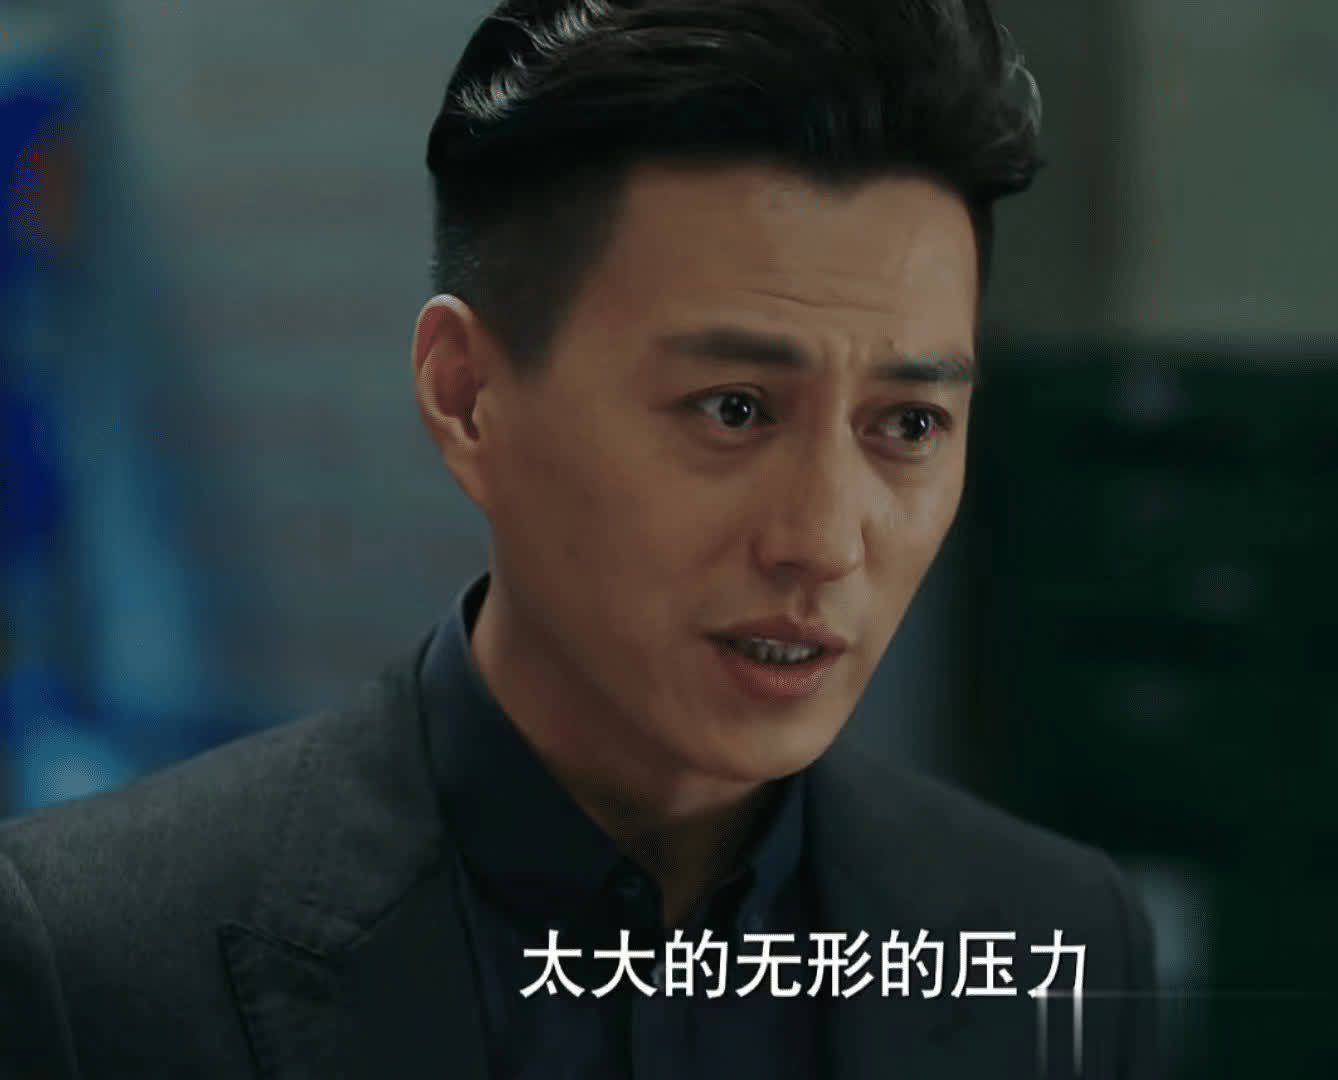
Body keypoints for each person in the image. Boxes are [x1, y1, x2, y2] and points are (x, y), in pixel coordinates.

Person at [0, 1, 1161, 1076]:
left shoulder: (1055, 941)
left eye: (908, 424)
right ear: (467, 397)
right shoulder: (90, 959)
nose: (823, 541)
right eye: (733, 410)